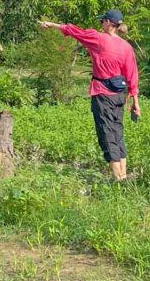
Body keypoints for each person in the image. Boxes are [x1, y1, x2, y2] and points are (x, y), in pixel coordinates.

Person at [38, 9, 140, 180]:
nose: (101, 25)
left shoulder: (98, 38)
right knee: (117, 132)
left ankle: (118, 180)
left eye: (102, 22)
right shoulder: (126, 47)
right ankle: (124, 175)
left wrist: (52, 25)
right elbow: (132, 75)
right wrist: (135, 101)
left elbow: (75, 31)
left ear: (108, 23)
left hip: (103, 94)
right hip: (120, 95)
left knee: (106, 134)